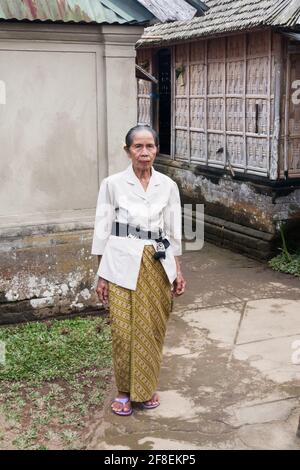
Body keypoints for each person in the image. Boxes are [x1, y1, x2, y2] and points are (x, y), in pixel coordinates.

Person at [91, 125, 186, 416]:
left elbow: (173, 231)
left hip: (157, 263)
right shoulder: (112, 184)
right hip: (120, 261)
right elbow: (102, 230)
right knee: (123, 330)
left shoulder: (168, 185)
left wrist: (177, 271)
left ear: (157, 149)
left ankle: (145, 389)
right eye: (138, 147)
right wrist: (101, 274)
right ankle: (123, 390)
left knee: (152, 328)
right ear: (127, 150)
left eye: (150, 147)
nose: (144, 153)